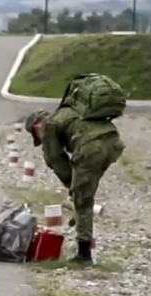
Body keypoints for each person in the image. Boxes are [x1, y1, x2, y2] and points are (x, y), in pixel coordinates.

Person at [24, 80, 126, 264]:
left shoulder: (49, 126)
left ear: (37, 127)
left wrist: (72, 187)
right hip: (113, 143)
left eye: (35, 135)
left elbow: (54, 159)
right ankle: (82, 229)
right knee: (85, 193)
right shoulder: (70, 111)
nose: (39, 137)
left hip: (91, 148)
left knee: (82, 199)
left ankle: (84, 254)